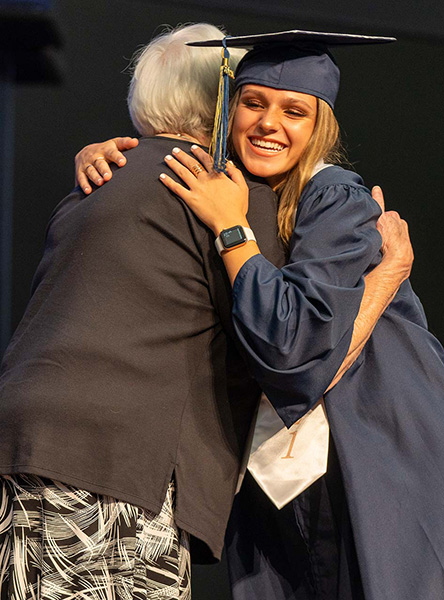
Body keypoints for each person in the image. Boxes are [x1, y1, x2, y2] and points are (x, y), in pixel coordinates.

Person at [72, 30, 417, 600]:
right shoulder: (225, 187)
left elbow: (293, 349)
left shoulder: (333, 197)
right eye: (253, 102)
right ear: (227, 111)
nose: (268, 123)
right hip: (265, 464)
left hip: (362, 445)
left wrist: (383, 278)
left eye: (295, 111)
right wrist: (100, 154)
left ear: (320, 127)